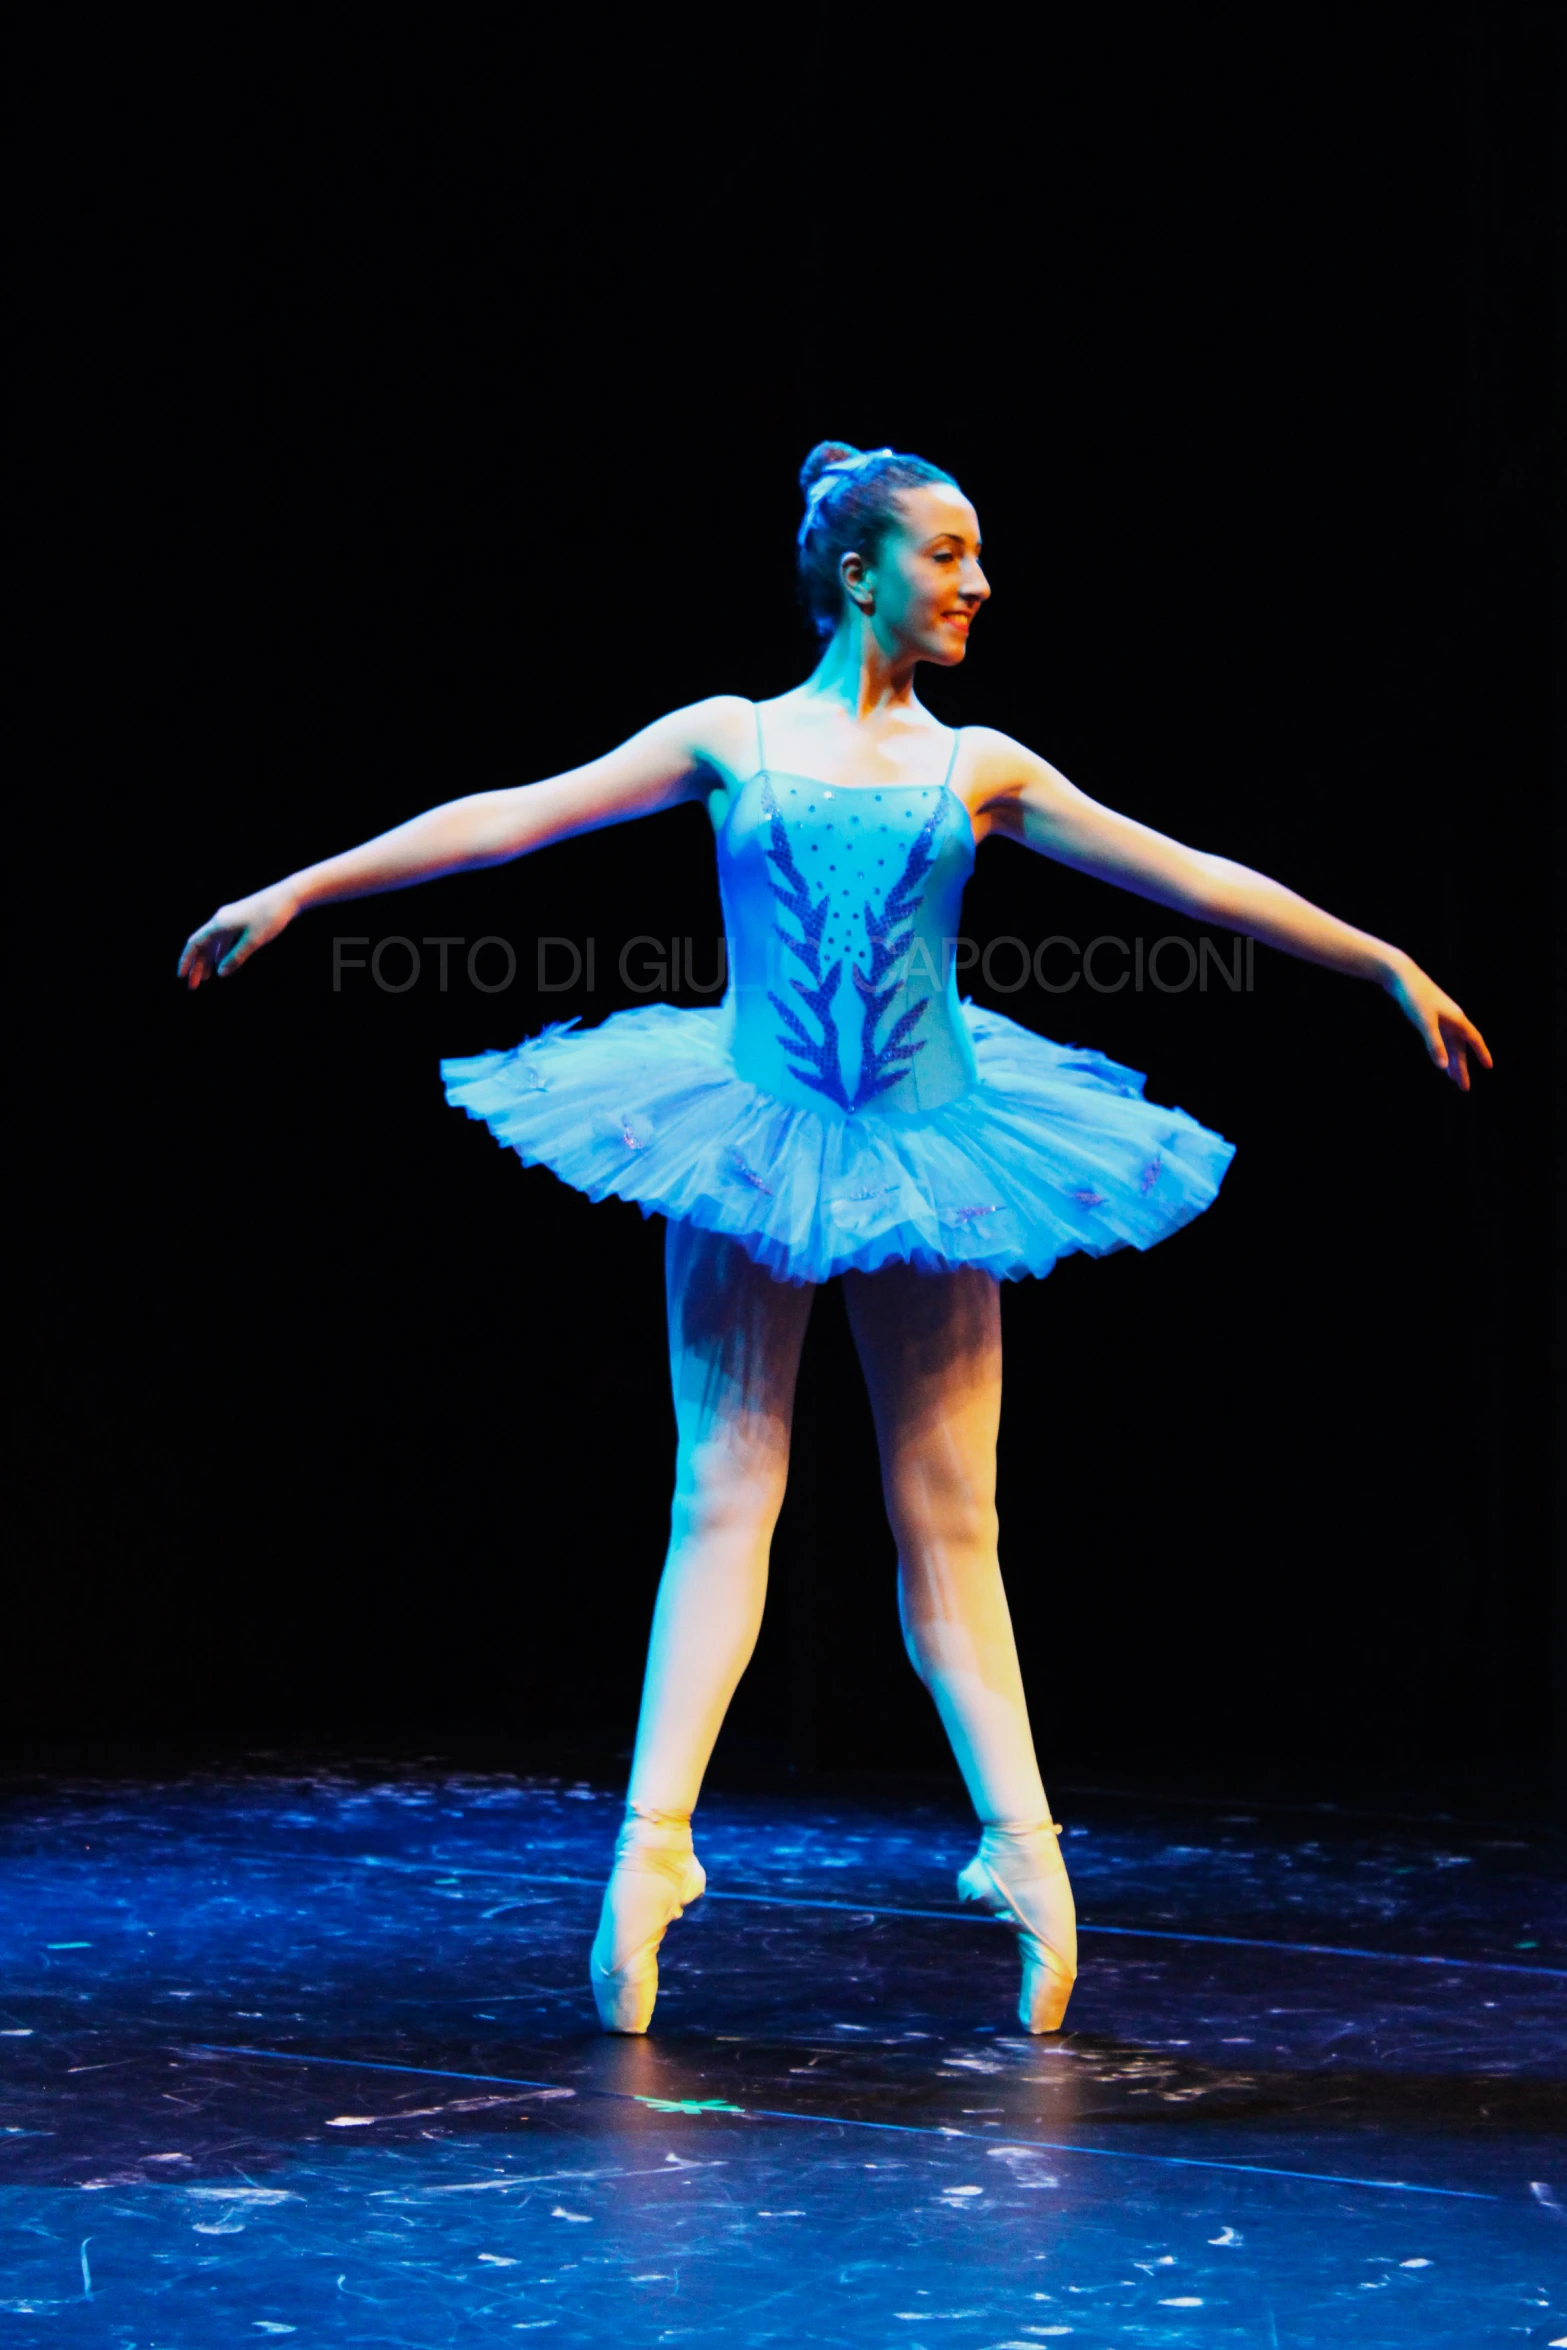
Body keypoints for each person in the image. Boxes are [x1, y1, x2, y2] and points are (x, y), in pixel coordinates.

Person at [179, 440, 1490, 2038]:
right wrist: (302, 888)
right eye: (949, 552)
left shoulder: (981, 767)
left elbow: (1189, 875)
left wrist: (1378, 962)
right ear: (856, 569)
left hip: (937, 1148)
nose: (978, 582)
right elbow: (516, 818)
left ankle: (1023, 1854)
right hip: (753, 1132)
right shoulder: (726, 738)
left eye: (979, 553)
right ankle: (650, 1856)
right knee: (720, 1491)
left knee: (950, 1514)